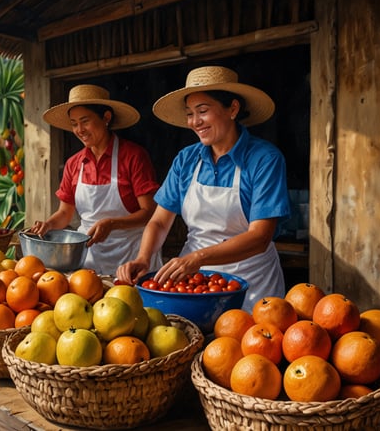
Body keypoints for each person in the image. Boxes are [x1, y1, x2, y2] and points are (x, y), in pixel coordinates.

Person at [116, 66, 290, 312]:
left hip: (253, 284)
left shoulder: (264, 159)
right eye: (189, 114)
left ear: (233, 109)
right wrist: (144, 257)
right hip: (193, 283)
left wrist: (198, 258)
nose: (194, 122)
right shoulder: (186, 160)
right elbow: (159, 222)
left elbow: (260, 237)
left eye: (203, 111)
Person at [29, 84, 162, 276]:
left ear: (106, 118)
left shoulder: (133, 156)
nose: (79, 129)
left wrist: (112, 224)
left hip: (132, 257)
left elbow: (150, 212)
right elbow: (65, 213)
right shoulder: (74, 164)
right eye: (74, 123)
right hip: (89, 258)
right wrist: (48, 225)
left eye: (85, 121)